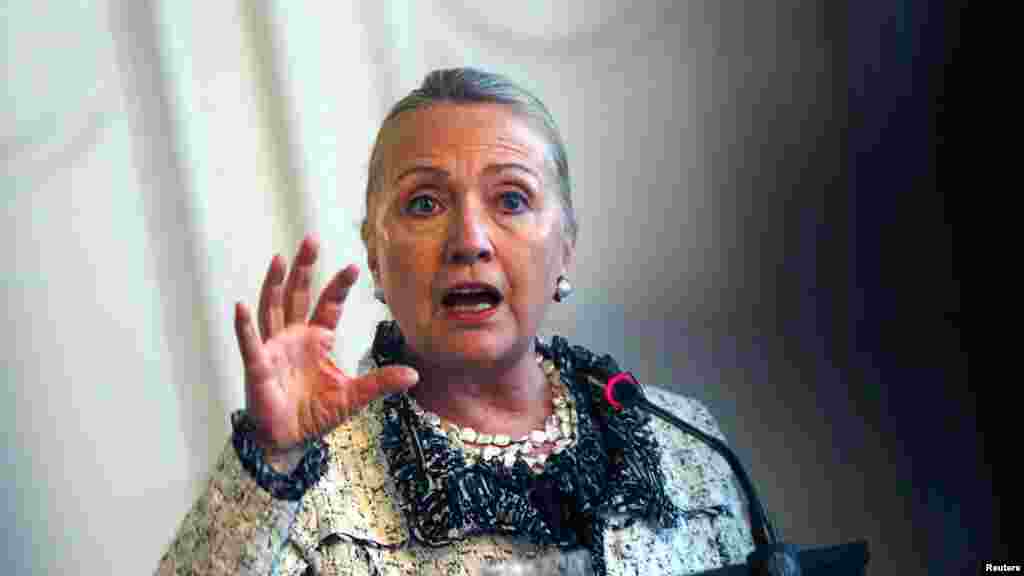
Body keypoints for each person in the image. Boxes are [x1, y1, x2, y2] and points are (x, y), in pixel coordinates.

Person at [156, 68, 754, 576]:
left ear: (566, 246)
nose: (469, 239)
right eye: (424, 204)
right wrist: (270, 461)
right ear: (375, 255)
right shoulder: (302, 479)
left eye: (511, 199)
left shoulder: (685, 442)